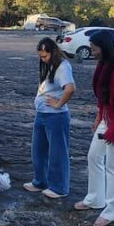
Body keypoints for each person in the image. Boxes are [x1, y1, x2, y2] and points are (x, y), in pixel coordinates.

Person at [75, 30, 114, 226]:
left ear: (105, 48)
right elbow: (103, 97)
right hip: (108, 117)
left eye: (95, 49)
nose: (92, 52)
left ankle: (113, 212)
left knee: (113, 166)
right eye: (91, 48)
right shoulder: (104, 65)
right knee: (94, 157)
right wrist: (99, 117)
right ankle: (95, 199)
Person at [24, 38, 76, 199]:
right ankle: (41, 181)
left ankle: (59, 187)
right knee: (38, 150)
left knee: (57, 152)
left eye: (45, 56)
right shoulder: (49, 65)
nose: (43, 59)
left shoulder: (63, 66)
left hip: (56, 116)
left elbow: (70, 88)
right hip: (42, 114)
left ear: (53, 52)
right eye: (40, 56)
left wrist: (58, 104)